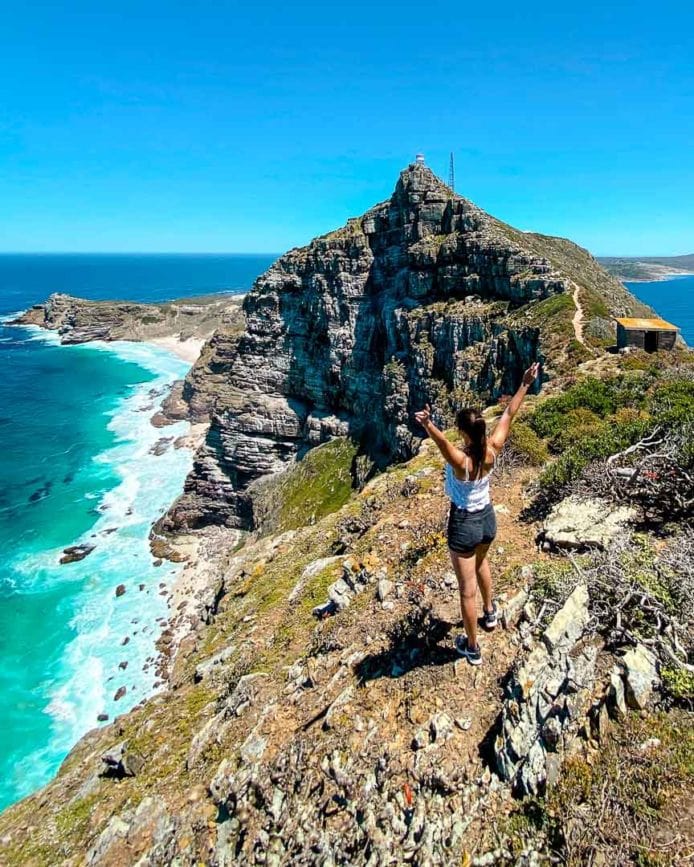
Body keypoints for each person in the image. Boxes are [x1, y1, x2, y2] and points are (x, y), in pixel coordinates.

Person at [414, 363, 541, 665]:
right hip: (487, 519)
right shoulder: (493, 449)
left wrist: (428, 424)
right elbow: (509, 414)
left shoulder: (461, 461)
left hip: (464, 525)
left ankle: (472, 646)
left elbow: (442, 443)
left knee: (465, 592)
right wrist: (525, 384)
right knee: (481, 562)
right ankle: (491, 612)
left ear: (462, 432)